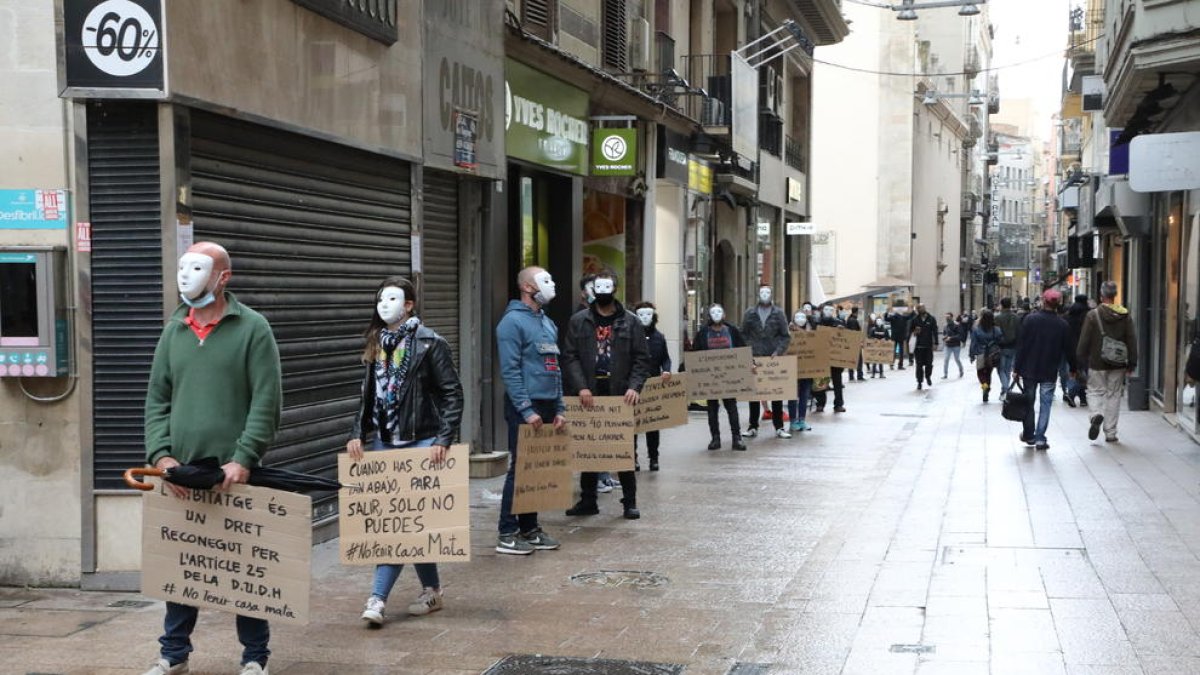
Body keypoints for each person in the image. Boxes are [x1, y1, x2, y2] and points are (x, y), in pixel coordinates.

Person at [142, 242, 282, 675]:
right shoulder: (174, 330)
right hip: (183, 472)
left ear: (223, 277)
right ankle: (173, 653)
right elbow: (157, 399)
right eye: (183, 267)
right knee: (182, 566)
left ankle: (255, 657)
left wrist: (244, 457)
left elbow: (266, 400)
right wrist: (162, 457)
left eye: (198, 268)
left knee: (245, 568)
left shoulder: (253, 329)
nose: (187, 276)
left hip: (235, 474)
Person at [346, 277, 464, 626]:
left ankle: (378, 598)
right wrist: (357, 432)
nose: (384, 305)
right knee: (410, 522)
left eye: (392, 299)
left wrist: (444, 438)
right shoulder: (375, 344)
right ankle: (433, 590)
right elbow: (369, 396)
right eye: (380, 298)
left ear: (409, 305)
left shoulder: (430, 343)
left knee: (398, 526)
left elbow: (452, 394)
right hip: (385, 441)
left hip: (423, 441)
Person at [562, 273, 650, 519]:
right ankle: (588, 499)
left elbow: (641, 359)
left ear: (615, 289)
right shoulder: (579, 321)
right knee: (589, 447)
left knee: (623, 448)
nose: (602, 292)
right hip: (589, 392)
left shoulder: (631, 322)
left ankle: (629, 501)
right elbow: (570, 356)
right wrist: (581, 387)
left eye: (606, 287)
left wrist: (634, 386)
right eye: (597, 287)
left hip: (620, 394)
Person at [495, 266, 566, 555]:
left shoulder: (548, 324)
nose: (551, 284)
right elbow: (510, 371)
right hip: (526, 406)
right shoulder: (511, 323)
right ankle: (507, 531)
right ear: (527, 287)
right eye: (544, 280)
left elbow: (555, 369)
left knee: (537, 470)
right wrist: (526, 409)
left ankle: (530, 528)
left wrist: (560, 406)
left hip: (548, 404)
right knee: (520, 469)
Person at [1013, 290, 1075, 450]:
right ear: (1057, 304)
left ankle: (1029, 434)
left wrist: (1016, 368)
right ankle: (1040, 438)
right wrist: (1073, 368)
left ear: (1043, 301)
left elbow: (1022, 345)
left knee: (1029, 402)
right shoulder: (1062, 325)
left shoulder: (1030, 320)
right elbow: (1069, 349)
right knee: (1045, 404)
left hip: (1029, 370)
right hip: (1049, 370)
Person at [1077, 281, 1138, 443]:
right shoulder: (1124, 315)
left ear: (1101, 295)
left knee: (1095, 391)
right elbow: (1131, 338)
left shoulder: (1093, 315)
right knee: (1114, 395)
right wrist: (1132, 361)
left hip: (1097, 361)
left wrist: (1080, 359)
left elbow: (1084, 340)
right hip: (1118, 362)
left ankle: (1096, 414)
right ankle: (1110, 432)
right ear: (1115, 295)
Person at [692, 304, 747, 450]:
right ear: (709, 316)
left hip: (729, 376)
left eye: (719, 312)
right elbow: (695, 353)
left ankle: (737, 437)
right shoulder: (703, 333)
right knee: (712, 408)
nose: (716, 315)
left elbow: (742, 349)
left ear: (724, 315)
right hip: (710, 378)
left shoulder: (732, 331)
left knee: (731, 406)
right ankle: (715, 438)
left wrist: (750, 364)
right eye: (713, 312)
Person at [742, 285, 792, 439]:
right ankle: (752, 426)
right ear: (758, 294)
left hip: (773, 360)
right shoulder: (750, 313)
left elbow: (785, 336)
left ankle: (779, 427)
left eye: (767, 292)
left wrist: (778, 352)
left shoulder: (779, 313)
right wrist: (748, 351)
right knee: (754, 395)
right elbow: (743, 334)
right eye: (762, 292)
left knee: (776, 393)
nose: (765, 294)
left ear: (771, 295)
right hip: (755, 358)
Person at [633, 302, 672, 470]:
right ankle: (632, 457)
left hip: (653, 384)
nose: (645, 318)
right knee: (633, 424)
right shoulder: (631, 337)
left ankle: (653, 457)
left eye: (648, 315)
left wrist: (667, 370)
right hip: (634, 385)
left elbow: (666, 358)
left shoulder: (659, 337)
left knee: (653, 424)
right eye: (641, 315)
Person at [814, 304, 846, 413]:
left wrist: (841, 330)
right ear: (823, 310)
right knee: (821, 382)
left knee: (837, 382)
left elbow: (845, 338)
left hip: (835, 358)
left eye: (831, 310)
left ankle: (838, 404)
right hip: (821, 358)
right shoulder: (817, 322)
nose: (828, 311)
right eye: (826, 309)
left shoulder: (838, 323)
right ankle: (820, 403)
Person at [787, 311, 815, 432]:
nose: (800, 319)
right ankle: (793, 421)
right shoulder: (788, 331)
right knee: (792, 395)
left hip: (807, 368)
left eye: (802, 316)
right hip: (792, 368)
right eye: (797, 316)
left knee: (804, 395)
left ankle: (802, 420)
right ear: (793, 318)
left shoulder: (811, 332)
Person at [1062, 293, 1091, 407]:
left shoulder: (1068, 315)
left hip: (1070, 348)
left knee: (1075, 372)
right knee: (1084, 373)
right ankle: (1075, 395)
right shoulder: (1089, 315)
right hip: (1086, 349)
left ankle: (1079, 397)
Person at [969, 309, 1004, 402]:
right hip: (991, 355)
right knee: (988, 373)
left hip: (981, 353)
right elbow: (1001, 340)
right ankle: (987, 388)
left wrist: (971, 354)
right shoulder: (996, 329)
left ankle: (985, 386)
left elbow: (973, 343)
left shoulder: (977, 330)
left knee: (980, 372)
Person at [995, 297, 1021, 393]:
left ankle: (1005, 388)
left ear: (1002, 305)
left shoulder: (997, 317)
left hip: (1001, 347)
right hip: (1013, 347)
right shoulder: (1016, 317)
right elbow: (1019, 333)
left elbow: (996, 333)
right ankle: (1004, 390)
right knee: (1007, 370)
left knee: (1001, 370)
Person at [909, 304, 938, 390]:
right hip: (918, 347)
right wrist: (915, 332)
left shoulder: (931, 318)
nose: (921, 309)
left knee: (929, 364)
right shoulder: (915, 320)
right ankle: (919, 382)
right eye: (919, 308)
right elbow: (910, 331)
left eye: (923, 308)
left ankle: (928, 376)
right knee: (919, 366)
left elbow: (935, 331)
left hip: (928, 346)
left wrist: (936, 343)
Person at [886, 304, 910, 370]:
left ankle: (892, 364)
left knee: (893, 350)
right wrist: (911, 310)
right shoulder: (903, 317)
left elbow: (886, 318)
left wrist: (887, 312)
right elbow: (911, 316)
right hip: (901, 337)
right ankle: (899, 365)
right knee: (900, 351)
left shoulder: (894, 317)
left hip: (895, 336)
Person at [941, 311, 965, 379]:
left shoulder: (957, 325)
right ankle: (945, 374)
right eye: (946, 317)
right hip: (948, 345)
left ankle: (961, 371)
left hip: (956, 345)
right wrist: (945, 337)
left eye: (948, 317)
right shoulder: (945, 325)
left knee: (957, 359)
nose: (947, 319)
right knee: (946, 359)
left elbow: (960, 336)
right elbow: (944, 333)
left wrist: (951, 338)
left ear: (952, 317)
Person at [847, 308, 865, 381]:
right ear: (856, 312)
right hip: (854, 343)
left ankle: (851, 376)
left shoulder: (849, 319)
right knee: (859, 359)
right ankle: (859, 376)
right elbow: (855, 333)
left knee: (851, 359)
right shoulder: (853, 320)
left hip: (850, 342)